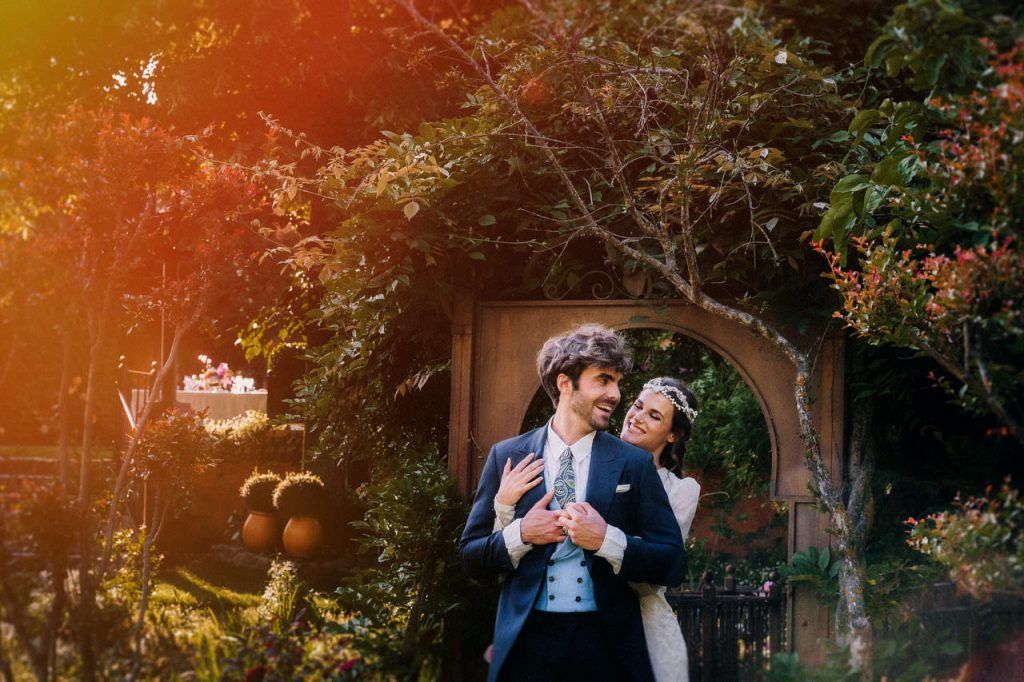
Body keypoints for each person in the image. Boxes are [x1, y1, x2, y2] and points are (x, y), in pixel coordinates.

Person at [460, 324, 686, 682]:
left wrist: (607, 540)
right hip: (527, 644)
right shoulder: (508, 455)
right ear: (565, 384)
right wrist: (521, 534)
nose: (615, 394)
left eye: (617, 383)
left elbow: (673, 564)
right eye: (603, 380)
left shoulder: (634, 463)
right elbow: (471, 558)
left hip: (606, 645)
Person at [495, 376, 700, 682]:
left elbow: (658, 574)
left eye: (654, 416)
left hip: (638, 625)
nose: (637, 417)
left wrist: (605, 539)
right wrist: (505, 506)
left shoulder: (681, 490)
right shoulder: (584, 457)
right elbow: (499, 557)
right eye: (638, 406)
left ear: (673, 435)